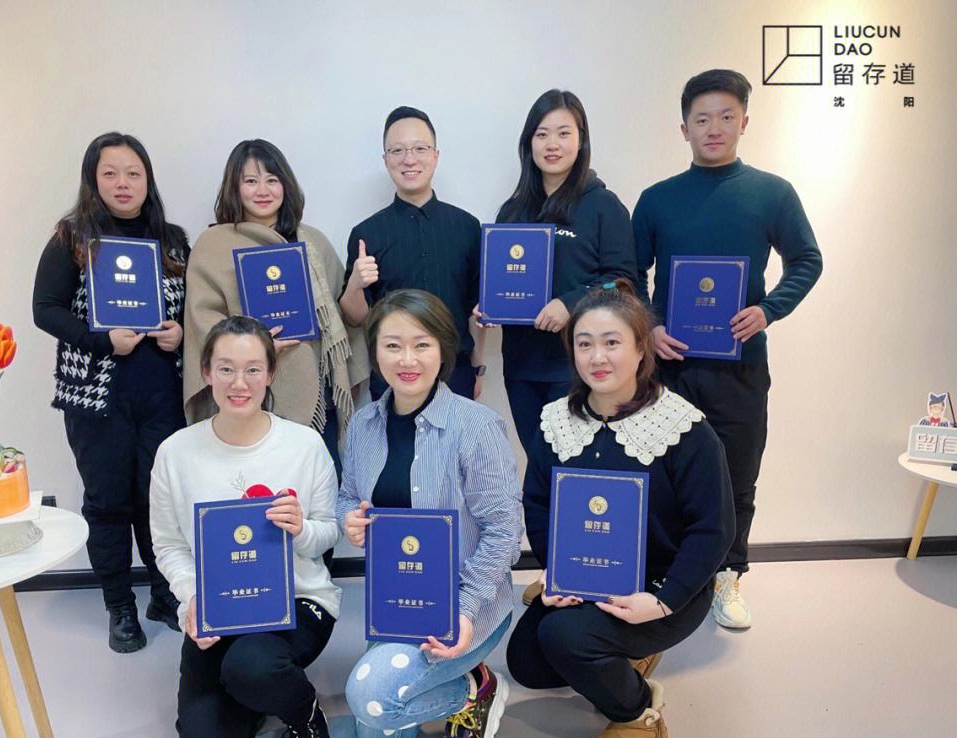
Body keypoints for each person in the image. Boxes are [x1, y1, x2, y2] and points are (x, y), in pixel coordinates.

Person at [508, 280, 735, 738]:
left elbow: (713, 530)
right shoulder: (556, 421)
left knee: (565, 638)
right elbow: (539, 504)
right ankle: (621, 654)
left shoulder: (684, 428)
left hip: (664, 587)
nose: (597, 357)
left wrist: (663, 601)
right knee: (528, 663)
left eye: (612, 342)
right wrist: (555, 571)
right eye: (584, 343)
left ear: (640, 348)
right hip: (584, 577)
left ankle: (639, 716)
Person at [632, 68, 823, 628]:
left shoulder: (771, 193)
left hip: (741, 367)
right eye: (701, 119)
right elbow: (628, 275)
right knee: (661, 473)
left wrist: (768, 309)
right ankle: (663, 574)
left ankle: (727, 577)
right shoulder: (657, 199)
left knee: (737, 476)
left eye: (725, 117)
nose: (713, 128)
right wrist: (650, 327)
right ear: (684, 129)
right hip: (669, 368)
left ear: (744, 122)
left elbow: (806, 260)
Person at [151, 315, 342, 738]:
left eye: (254, 369)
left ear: (271, 373)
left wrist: (301, 529)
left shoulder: (305, 445)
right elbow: (169, 545)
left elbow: (328, 533)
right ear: (206, 372)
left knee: (250, 667)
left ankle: (305, 717)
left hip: (298, 600)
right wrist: (193, 598)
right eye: (226, 369)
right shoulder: (175, 453)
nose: (240, 383)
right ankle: (260, 691)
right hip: (219, 608)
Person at [338, 290, 522, 738]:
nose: (407, 360)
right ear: (375, 352)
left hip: (465, 606)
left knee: (371, 696)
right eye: (392, 345)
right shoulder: (363, 425)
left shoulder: (476, 426)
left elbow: (503, 531)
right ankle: (466, 685)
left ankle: (476, 691)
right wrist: (349, 519)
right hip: (396, 605)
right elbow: (347, 495)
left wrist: (465, 610)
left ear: (443, 349)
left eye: (421, 345)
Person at [32, 132, 187, 653]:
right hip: (96, 398)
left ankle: (164, 595)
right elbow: (45, 309)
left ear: (148, 180)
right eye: (111, 173)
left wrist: (181, 333)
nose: (123, 183)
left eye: (133, 173)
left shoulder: (172, 240)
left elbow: (193, 308)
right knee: (108, 502)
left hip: (161, 394)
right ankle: (120, 606)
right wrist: (101, 341)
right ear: (93, 179)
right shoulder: (72, 238)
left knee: (157, 499)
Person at [182, 139, 368, 471]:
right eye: (250, 181)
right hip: (247, 395)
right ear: (234, 188)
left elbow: (343, 320)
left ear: (286, 184)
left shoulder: (312, 242)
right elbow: (203, 321)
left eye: (272, 179)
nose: (262, 190)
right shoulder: (212, 245)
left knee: (318, 488)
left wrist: (355, 285)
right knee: (258, 488)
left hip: (320, 399)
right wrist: (255, 347)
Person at [492, 89, 635, 452]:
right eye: (542, 134)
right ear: (529, 143)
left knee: (574, 464)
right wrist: (489, 305)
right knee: (538, 463)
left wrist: (570, 304)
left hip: (577, 365)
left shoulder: (603, 205)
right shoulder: (512, 211)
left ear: (581, 140)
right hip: (522, 365)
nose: (552, 144)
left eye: (563, 133)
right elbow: (500, 277)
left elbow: (622, 282)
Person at [340, 106, 486, 400]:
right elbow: (354, 318)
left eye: (420, 148)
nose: (409, 159)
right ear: (385, 159)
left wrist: (479, 368)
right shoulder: (366, 233)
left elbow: (477, 311)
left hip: (455, 373)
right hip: (392, 375)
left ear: (436, 155)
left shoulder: (468, 227)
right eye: (397, 150)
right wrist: (355, 284)